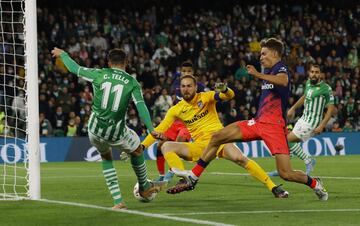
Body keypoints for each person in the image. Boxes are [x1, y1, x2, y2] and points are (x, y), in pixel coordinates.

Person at [172, 38, 328, 201]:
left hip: (274, 127)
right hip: (258, 122)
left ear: (274, 54)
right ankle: (194, 177)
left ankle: (315, 183)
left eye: (263, 54)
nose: (260, 57)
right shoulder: (268, 72)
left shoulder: (280, 67)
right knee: (218, 137)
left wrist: (256, 74)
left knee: (286, 174)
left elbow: (283, 81)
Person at [141, 66, 288, 198]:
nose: (186, 89)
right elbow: (160, 129)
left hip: (220, 141)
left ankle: (273, 187)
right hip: (200, 147)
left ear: (195, 87)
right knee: (166, 146)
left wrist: (225, 89)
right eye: (183, 86)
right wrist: (141, 147)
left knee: (241, 159)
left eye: (189, 86)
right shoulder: (176, 109)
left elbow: (228, 96)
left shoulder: (206, 97)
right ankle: (185, 177)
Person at [51, 47, 165, 209]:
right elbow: (141, 106)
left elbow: (75, 68)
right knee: (138, 151)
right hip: (116, 132)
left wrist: (63, 54)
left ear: (109, 63)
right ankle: (144, 187)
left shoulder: (99, 74)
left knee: (106, 157)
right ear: (126, 63)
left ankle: (118, 201)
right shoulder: (132, 83)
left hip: (94, 129)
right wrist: (151, 129)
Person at [268, 64, 335, 176]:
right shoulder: (308, 83)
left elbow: (330, 110)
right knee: (286, 143)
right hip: (303, 119)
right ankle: (283, 169)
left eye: (316, 72)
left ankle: (308, 160)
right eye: (312, 72)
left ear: (320, 74)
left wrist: (322, 125)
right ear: (309, 73)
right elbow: (304, 97)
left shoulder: (326, 89)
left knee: (286, 140)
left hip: (312, 122)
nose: (314, 74)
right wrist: (293, 108)